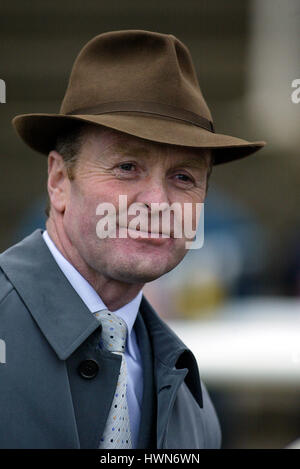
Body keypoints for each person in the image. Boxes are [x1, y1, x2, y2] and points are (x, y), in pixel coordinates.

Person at [0, 30, 265, 449]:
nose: (158, 202)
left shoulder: (193, 409)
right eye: (126, 167)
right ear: (58, 181)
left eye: (183, 177)